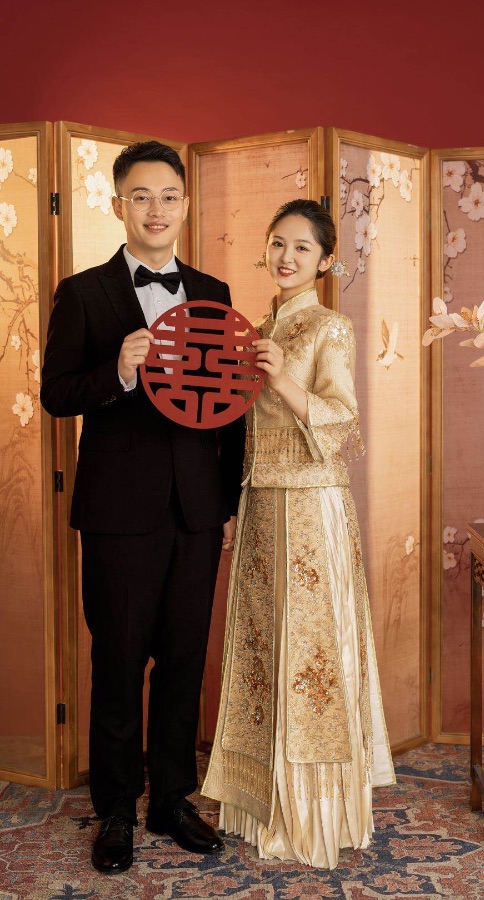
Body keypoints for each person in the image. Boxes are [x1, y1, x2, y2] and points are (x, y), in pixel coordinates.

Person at [41, 141, 245, 874]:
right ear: (118, 203)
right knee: (121, 660)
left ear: (185, 203)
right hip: (117, 512)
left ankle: (172, 800)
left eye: (168, 196)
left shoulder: (214, 291)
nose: (156, 210)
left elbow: (233, 408)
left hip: (196, 511)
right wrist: (118, 371)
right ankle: (118, 810)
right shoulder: (83, 293)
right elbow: (56, 394)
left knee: (185, 659)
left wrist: (226, 502)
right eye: (141, 196)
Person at [202, 199, 395, 869]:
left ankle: (313, 813)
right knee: (263, 651)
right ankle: (260, 803)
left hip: (313, 510)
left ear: (325, 261)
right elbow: (237, 431)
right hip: (260, 509)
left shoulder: (330, 327)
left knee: (312, 656)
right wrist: (231, 504)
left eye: (303, 248)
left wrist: (281, 378)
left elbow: (343, 421)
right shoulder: (253, 329)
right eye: (278, 243)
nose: (287, 257)